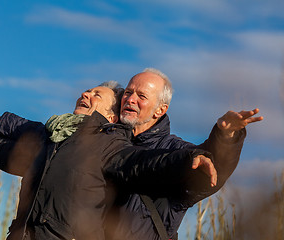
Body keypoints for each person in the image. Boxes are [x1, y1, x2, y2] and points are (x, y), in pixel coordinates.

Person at [0, 81, 217, 240]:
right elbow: (15, 150)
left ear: (110, 116)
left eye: (97, 95)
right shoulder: (53, 136)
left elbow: (146, 162)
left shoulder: (109, 145)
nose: (86, 94)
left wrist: (189, 158)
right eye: (87, 90)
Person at [107, 68, 264, 240]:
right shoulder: (104, 140)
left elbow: (210, 171)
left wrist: (225, 137)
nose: (130, 99)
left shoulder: (175, 149)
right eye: (128, 92)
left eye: (141, 96)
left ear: (160, 110)